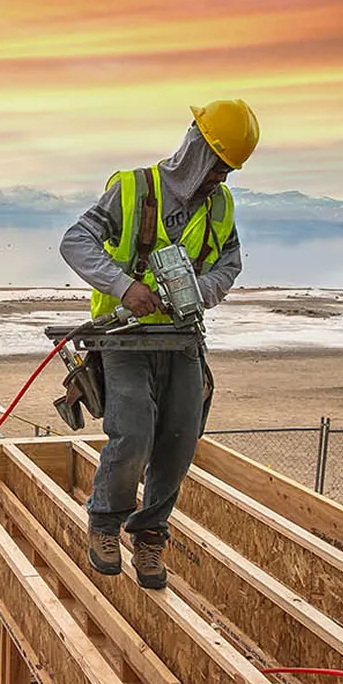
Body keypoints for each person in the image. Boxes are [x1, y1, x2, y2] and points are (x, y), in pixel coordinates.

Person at [58, 100, 258, 589]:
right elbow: (75, 241)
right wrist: (125, 287)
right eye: (217, 168)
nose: (220, 180)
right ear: (196, 148)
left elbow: (229, 265)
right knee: (132, 433)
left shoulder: (220, 207)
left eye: (228, 171)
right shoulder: (131, 190)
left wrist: (202, 292)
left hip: (182, 340)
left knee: (178, 441)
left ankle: (150, 535)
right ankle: (105, 523)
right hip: (124, 338)